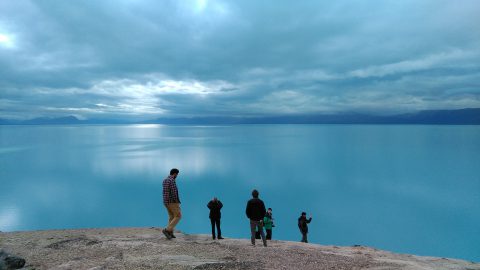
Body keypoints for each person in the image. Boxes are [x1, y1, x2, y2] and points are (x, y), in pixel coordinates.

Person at [162, 168, 181, 240]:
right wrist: (177, 201)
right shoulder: (172, 180)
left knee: (171, 216)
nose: (177, 175)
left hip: (166, 202)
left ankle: (170, 232)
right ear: (175, 174)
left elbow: (164, 192)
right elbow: (173, 192)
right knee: (178, 216)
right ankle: (167, 230)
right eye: (177, 174)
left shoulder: (165, 180)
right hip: (172, 202)